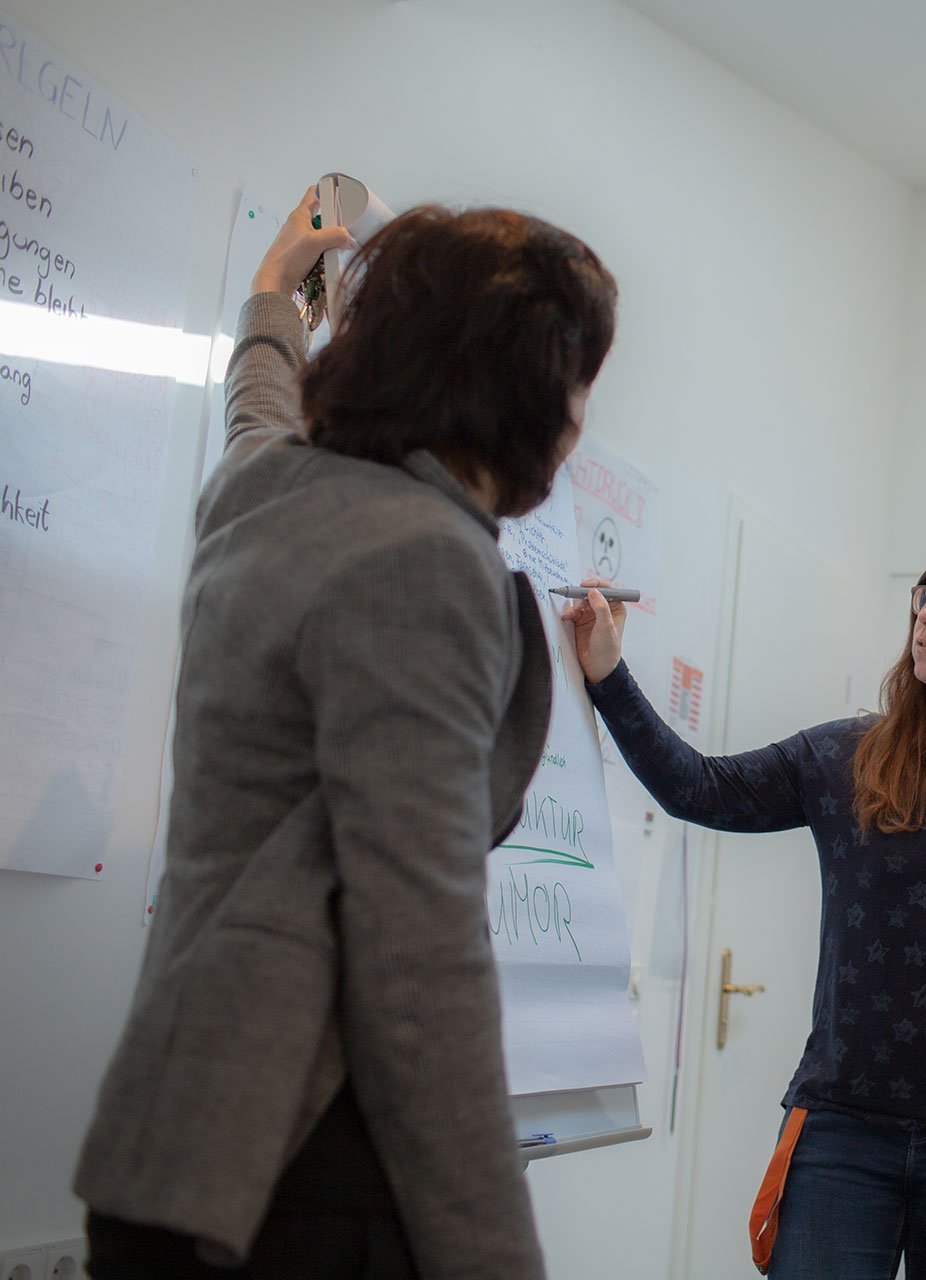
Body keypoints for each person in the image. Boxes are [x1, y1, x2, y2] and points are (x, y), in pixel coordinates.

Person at [75, 187, 618, 1279]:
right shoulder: (423, 558)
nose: (579, 416)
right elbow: (418, 957)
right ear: (518, 385)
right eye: (578, 379)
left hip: (171, 1151)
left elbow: (257, 415)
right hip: (306, 1170)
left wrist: (272, 300)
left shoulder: (261, 495)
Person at [565, 537, 926, 1279]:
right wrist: (606, 670)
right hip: (841, 1134)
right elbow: (696, 788)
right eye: (924, 597)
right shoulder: (848, 757)